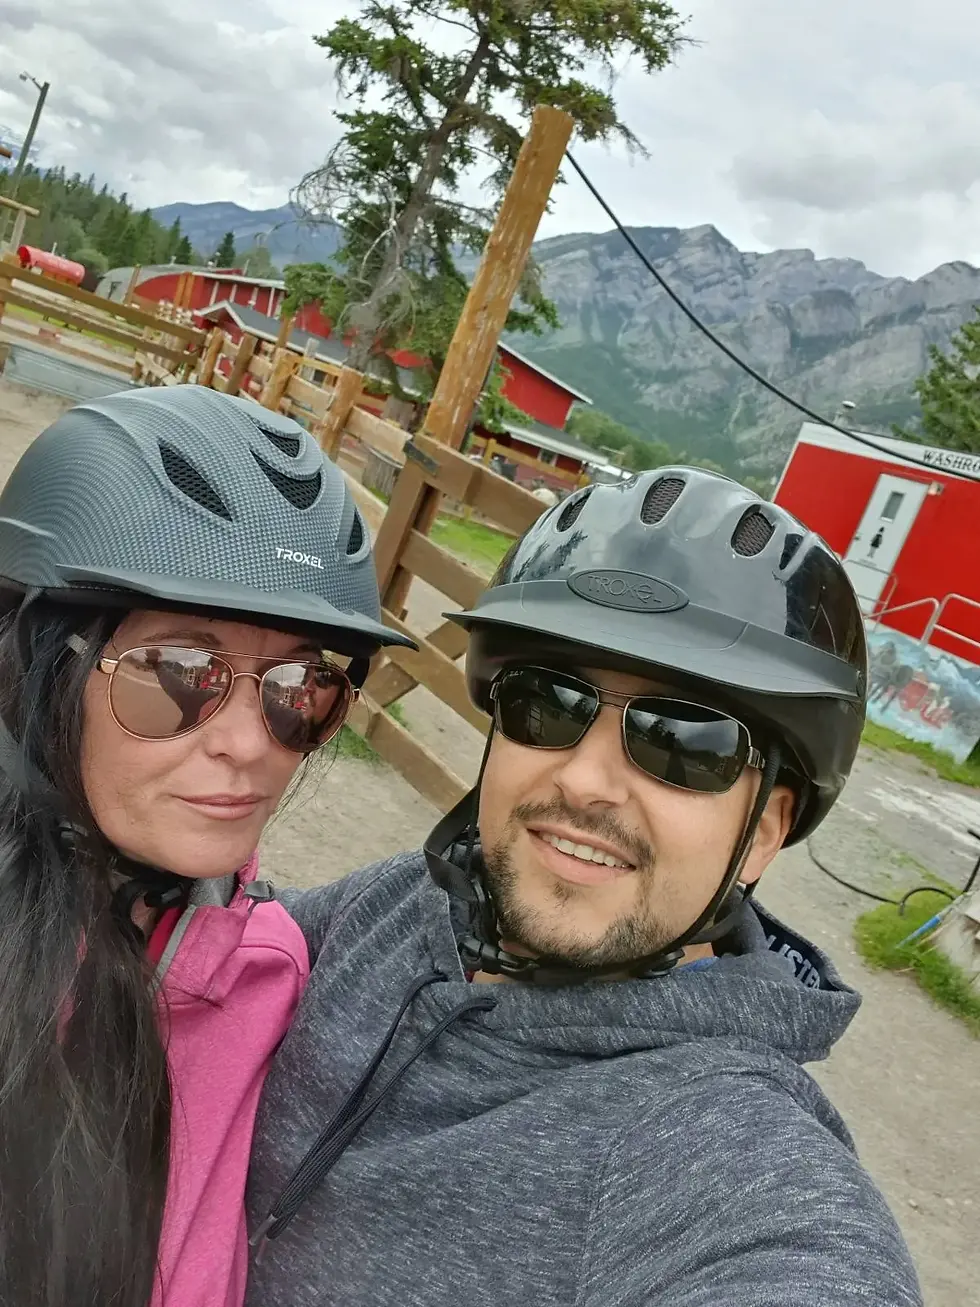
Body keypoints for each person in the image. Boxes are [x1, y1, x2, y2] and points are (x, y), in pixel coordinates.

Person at [245, 466, 923, 1306]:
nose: (588, 780)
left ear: (768, 830)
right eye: (548, 704)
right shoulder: (404, 908)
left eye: (683, 739)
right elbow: (214, 947)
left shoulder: (724, 1157)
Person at [0, 385, 412, 1307]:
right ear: (36, 665)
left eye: (300, 686)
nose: (252, 742)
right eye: (180, 673)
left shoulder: (261, 975)